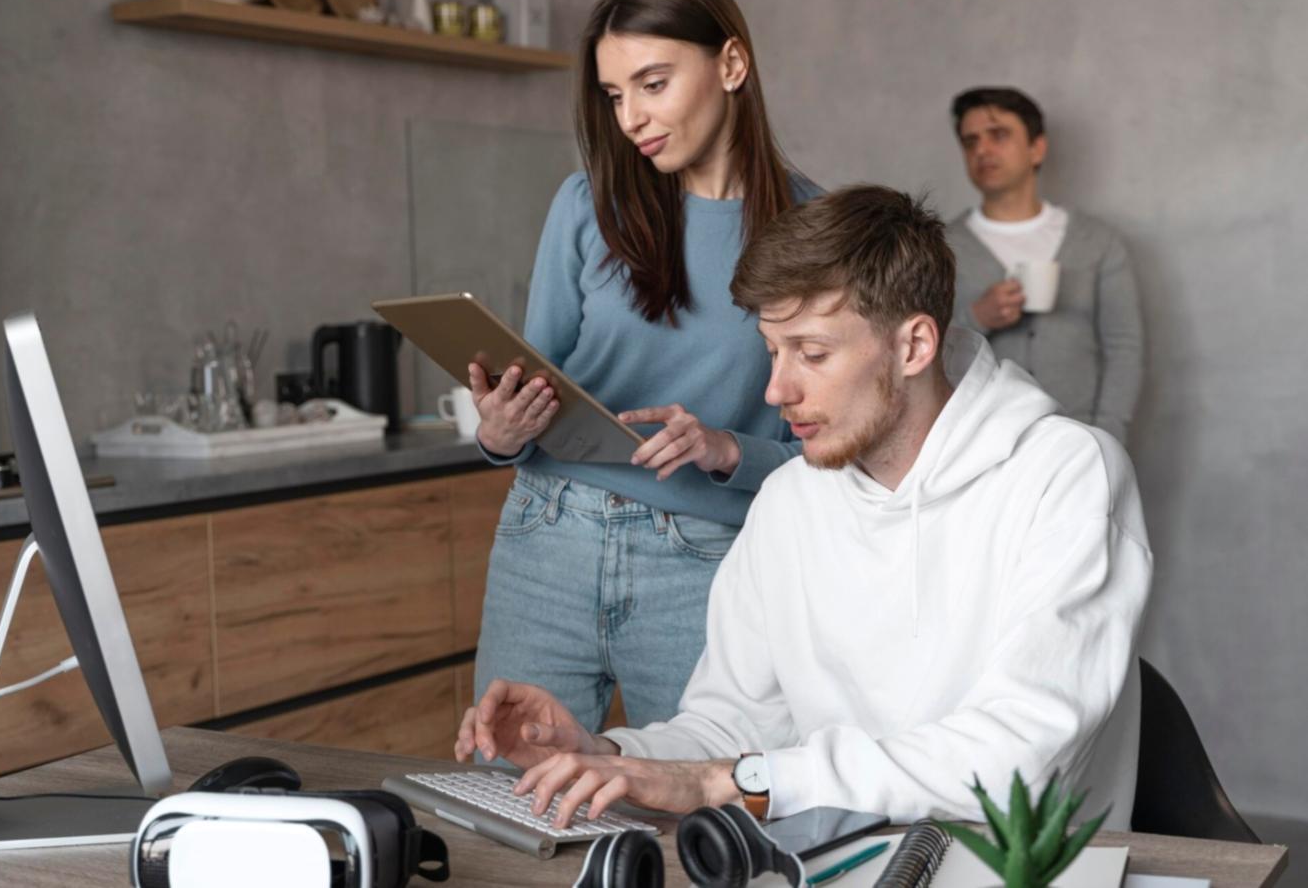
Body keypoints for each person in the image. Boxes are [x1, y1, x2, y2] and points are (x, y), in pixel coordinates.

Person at [457, 185, 1153, 828]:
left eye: (811, 353)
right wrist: (607, 754)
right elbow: (730, 730)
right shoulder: (790, 500)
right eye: (771, 351)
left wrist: (734, 780)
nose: (776, 391)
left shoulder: (1064, 476)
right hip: (830, 864)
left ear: (913, 344)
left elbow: (1013, 765)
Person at [469, 0, 821, 732]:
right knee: (512, 795)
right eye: (614, 94)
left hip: (705, 563)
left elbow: (834, 454)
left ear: (731, 65)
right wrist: (500, 434)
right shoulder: (585, 205)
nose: (630, 117)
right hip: (546, 537)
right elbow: (534, 387)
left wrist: (729, 448)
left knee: (717, 816)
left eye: (653, 83)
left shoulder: (816, 232)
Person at [945, 87, 1143, 444]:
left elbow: (1124, 348)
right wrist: (976, 317)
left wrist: (1106, 439)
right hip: (977, 445)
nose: (982, 150)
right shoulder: (942, 248)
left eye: (999, 135)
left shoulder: (1097, 242)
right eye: (970, 141)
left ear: (1037, 147)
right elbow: (918, 351)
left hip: (1078, 441)